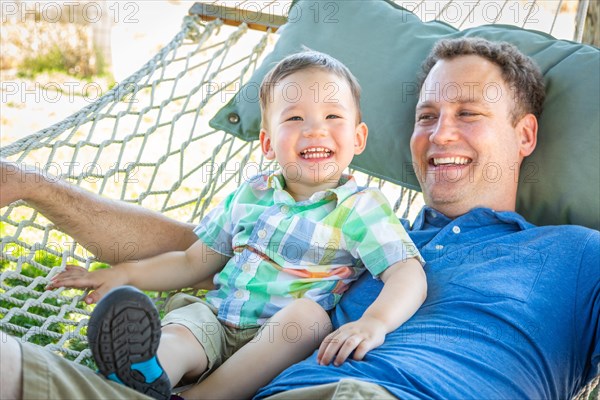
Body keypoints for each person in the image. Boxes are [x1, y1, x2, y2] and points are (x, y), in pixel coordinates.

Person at [0, 37, 598, 400]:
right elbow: (200, 257)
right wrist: (33, 187)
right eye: (425, 115)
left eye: (468, 113)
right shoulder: (350, 242)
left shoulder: (574, 255)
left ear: (525, 135)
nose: (440, 133)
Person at [42, 50, 425, 400]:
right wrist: (124, 274)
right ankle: (146, 369)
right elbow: (194, 263)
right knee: (184, 328)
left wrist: (374, 323)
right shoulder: (250, 195)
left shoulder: (360, 207)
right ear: (268, 143)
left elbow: (407, 272)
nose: (314, 130)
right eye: (294, 118)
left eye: (332, 116)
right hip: (217, 317)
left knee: (308, 318)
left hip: (279, 340)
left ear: (358, 138)